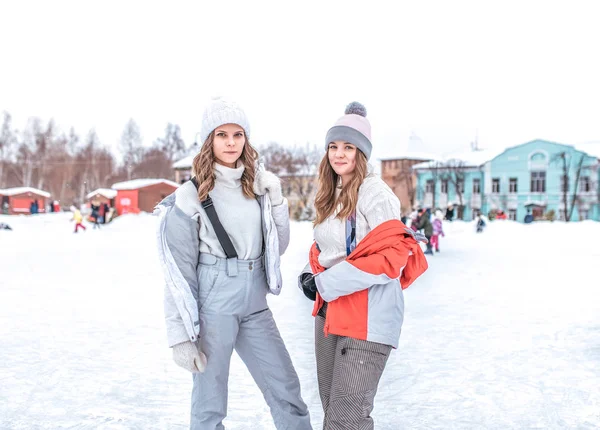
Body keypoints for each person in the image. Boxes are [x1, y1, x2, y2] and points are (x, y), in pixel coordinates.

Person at [154, 97, 311, 430]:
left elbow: (276, 248)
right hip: (215, 303)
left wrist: (278, 201)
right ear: (209, 140)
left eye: (237, 134)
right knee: (210, 404)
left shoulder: (256, 187)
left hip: (255, 302)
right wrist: (180, 336)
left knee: (286, 389)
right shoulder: (189, 195)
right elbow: (177, 272)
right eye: (221, 134)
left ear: (246, 139)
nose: (230, 142)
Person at [298, 102, 429, 429]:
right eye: (333, 146)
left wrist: (325, 283)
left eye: (348, 147)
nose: (338, 154)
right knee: (334, 414)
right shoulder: (333, 193)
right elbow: (329, 247)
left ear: (362, 153)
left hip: (368, 316)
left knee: (347, 419)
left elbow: (391, 259)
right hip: (331, 313)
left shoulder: (376, 194)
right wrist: (308, 273)